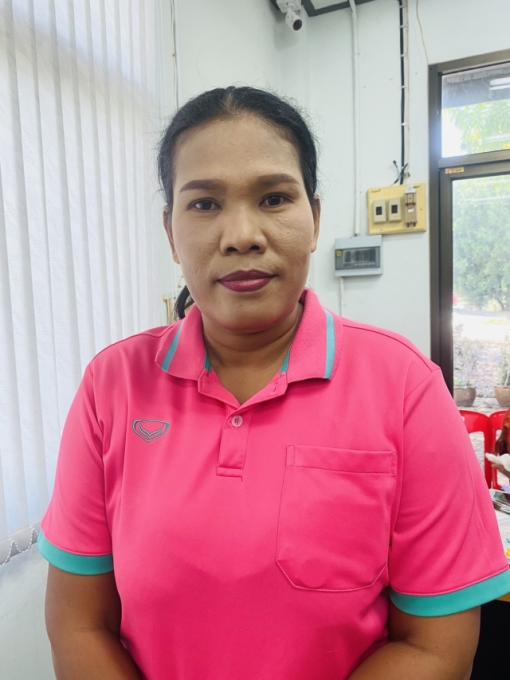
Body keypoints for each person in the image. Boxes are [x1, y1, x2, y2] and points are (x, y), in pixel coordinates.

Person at [38, 85, 510, 680]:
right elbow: (79, 624)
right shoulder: (113, 386)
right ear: (170, 233)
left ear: (314, 219)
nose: (241, 235)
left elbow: (436, 648)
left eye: (274, 198)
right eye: (204, 204)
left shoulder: (405, 388)